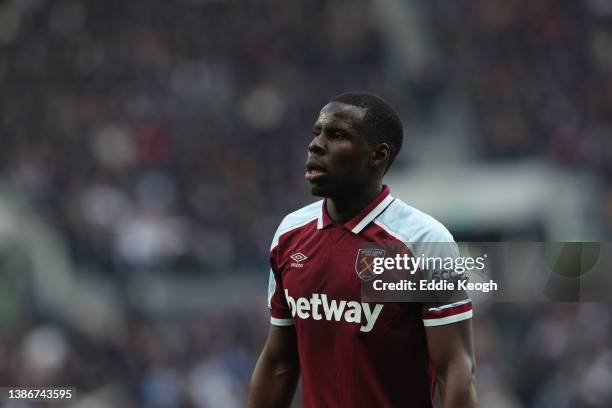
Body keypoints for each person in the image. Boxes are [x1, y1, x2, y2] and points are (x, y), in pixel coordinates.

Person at [248, 92, 478, 407]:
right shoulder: (290, 235)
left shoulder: (423, 241)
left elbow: (455, 369)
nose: (315, 144)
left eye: (337, 135)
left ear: (377, 155)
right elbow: (279, 363)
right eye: (317, 132)